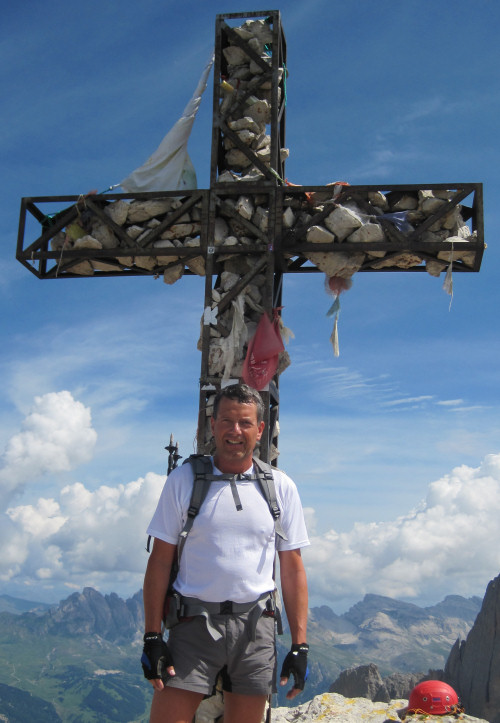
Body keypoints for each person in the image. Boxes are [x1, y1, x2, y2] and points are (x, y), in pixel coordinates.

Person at [141, 383, 310, 723]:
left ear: (260, 429)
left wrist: (300, 643)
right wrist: (153, 635)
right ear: (213, 425)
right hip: (192, 625)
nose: (236, 431)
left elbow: (291, 568)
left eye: (245, 422)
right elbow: (160, 560)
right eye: (227, 421)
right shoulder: (184, 480)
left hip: (256, 627)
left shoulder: (281, 487)